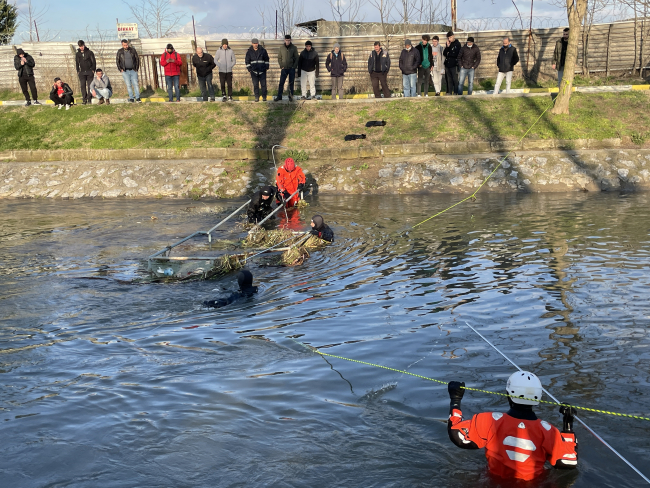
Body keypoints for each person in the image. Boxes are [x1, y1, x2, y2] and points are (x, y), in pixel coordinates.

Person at [447, 371, 578, 481]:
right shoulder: (549, 431)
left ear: (508, 395)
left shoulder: (488, 420)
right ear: (538, 397)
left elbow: (457, 435)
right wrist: (568, 426)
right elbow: (568, 462)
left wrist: (455, 399)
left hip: (493, 481)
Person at [276, 34, 299, 102]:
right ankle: (279, 96)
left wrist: (294, 67)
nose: (288, 42)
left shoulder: (294, 48)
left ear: (290, 40)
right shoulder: (281, 48)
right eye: (286, 40)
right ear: (284, 40)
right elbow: (279, 58)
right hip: (284, 69)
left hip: (291, 68)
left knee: (291, 83)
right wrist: (281, 65)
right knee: (281, 83)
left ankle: (291, 96)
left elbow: (297, 58)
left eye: (289, 40)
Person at [75, 40, 96, 105]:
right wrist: (78, 71)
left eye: (82, 46)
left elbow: (94, 62)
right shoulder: (78, 54)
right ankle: (84, 99)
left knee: (90, 85)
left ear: (84, 45)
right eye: (80, 46)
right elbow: (77, 63)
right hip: (82, 73)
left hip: (89, 72)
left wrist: (93, 70)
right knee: (82, 86)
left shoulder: (89, 52)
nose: (81, 47)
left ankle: (89, 99)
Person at [443, 31, 461, 96]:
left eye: (450, 37)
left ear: (453, 36)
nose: (449, 39)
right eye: (448, 38)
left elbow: (456, 54)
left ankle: (455, 92)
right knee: (449, 79)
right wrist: (447, 47)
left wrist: (449, 53)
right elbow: (444, 53)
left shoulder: (457, 44)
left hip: (454, 64)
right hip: (448, 64)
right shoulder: (448, 44)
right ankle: (449, 92)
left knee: (455, 79)